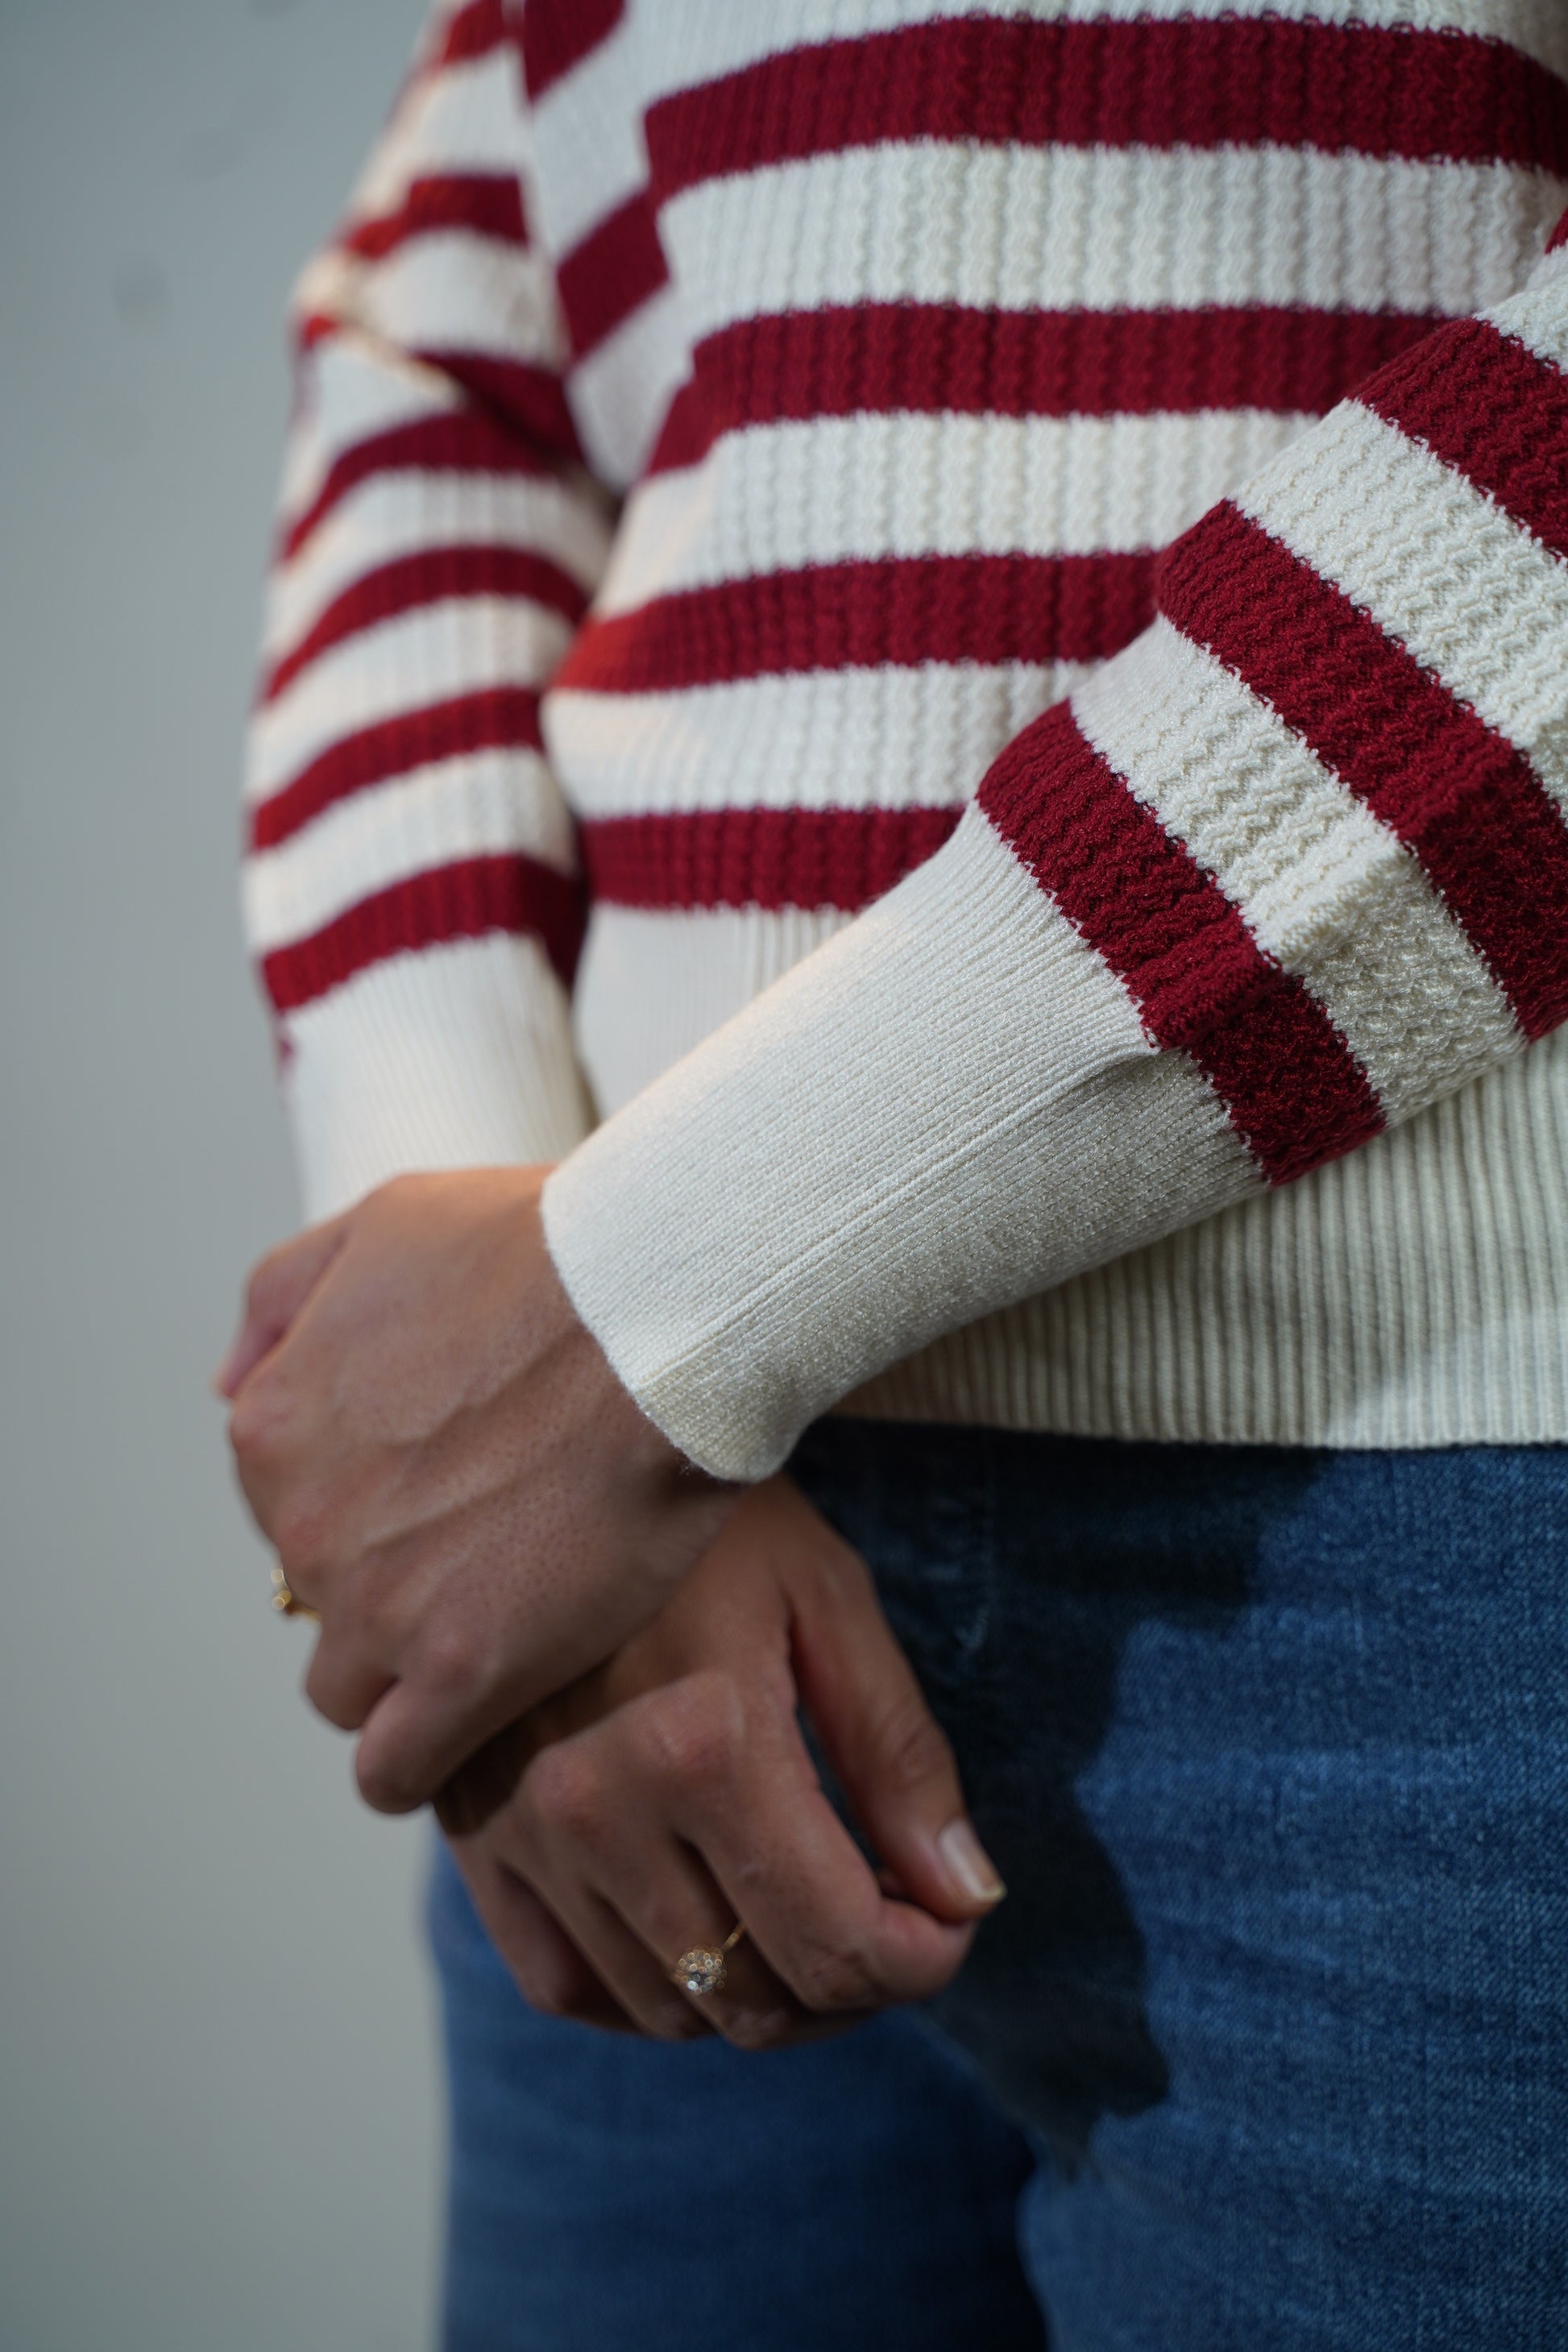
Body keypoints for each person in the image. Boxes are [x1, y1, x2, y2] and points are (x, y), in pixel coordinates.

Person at [223, 2, 1568, 2342]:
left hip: (1445, 1588)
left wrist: (647, 1309)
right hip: (627, 1598)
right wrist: (465, 1250)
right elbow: (437, 376)